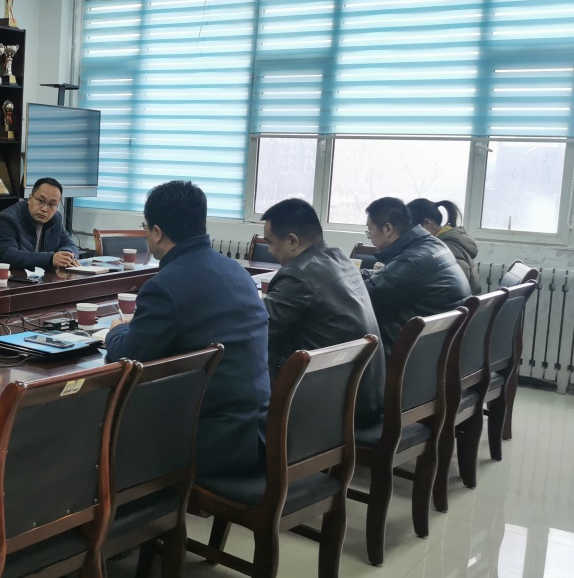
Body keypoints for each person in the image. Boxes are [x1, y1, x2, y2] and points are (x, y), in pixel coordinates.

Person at [103, 181, 270, 477]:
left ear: (157, 232)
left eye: (145, 227)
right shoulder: (236, 271)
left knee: (97, 420)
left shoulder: (165, 286)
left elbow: (128, 356)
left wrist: (115, 330)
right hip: (258, 430)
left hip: (210, 441)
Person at [261, 198, 385, 429]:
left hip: (332, 409)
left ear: (292, 241)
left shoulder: (298, 274)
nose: (269, 250)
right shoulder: (340, 258)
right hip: (365, 398)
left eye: (270, 243)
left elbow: (259, 329)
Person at [363, 197, 470, 350]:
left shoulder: (411, 261)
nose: (370, 237)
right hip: (438, 340)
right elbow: (387, 276)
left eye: (370, 231)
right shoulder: (432, 244)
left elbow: (367, 295)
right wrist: (355, 273)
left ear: (387, 229)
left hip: (413, 348)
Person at [0, 177, 80, 271]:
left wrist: (67, 256)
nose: (44, 209)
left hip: (39, 277)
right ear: (30, 198)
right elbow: (8, 256)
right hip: (6, 278)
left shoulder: (55, 219)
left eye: (51, 204)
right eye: (41, 201)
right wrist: (50, 259)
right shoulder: (7, 219)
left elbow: (70, 245)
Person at [408, 198, 482, 294]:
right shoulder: (447, 241)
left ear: (427, 223)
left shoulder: (446, 248)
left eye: (412, 229)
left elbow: (455, 288)